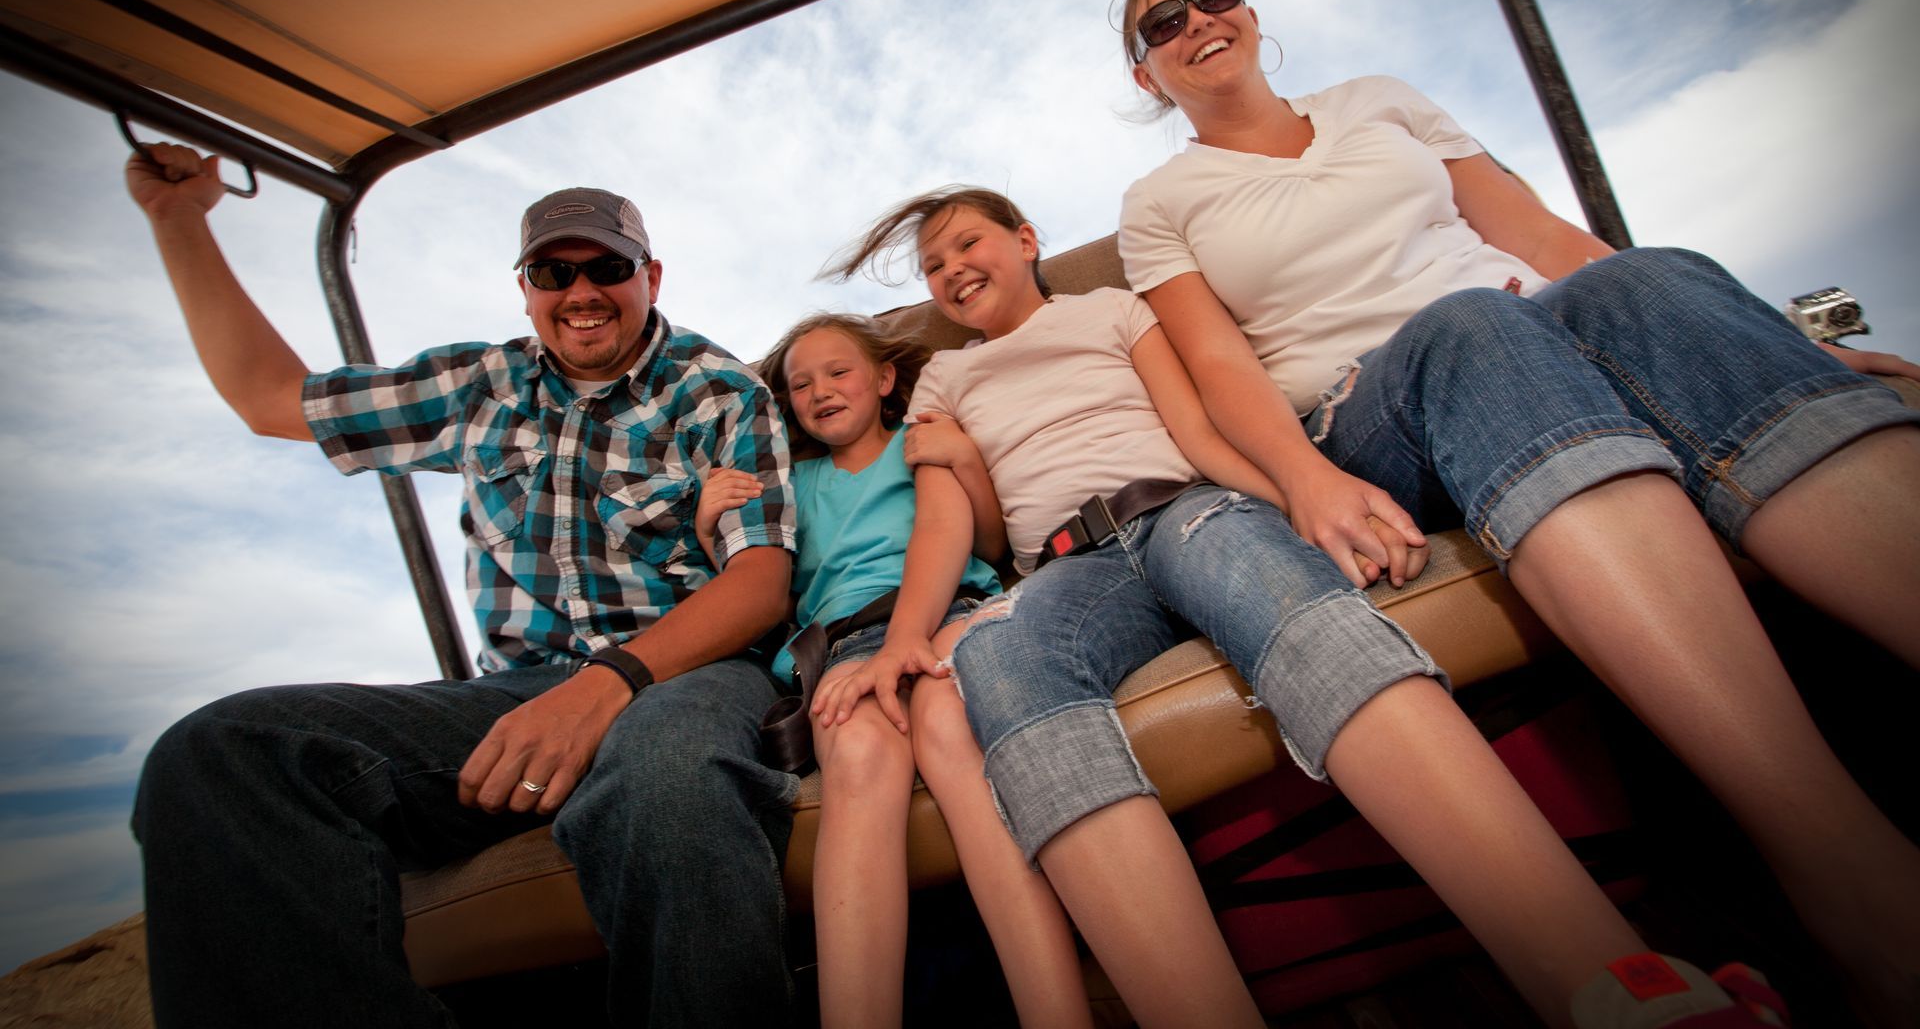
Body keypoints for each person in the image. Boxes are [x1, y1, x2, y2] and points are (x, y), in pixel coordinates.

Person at [1113, 0, 1920, 1026]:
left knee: (1650, 274)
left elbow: (1538, 235)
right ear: (1145, 75)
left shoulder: (1380, 101)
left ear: (1249, 11)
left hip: (1535, 324)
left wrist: (1767, 335)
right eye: (1163, 22)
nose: (1197, 21)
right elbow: (1219, 367)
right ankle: (1855, 879)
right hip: (1383, 404)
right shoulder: (1160, 200)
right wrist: (1302, 478)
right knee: (1473, 324)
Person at [825, 186, 1785, 1029]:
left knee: (1250, 562)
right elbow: (962, 523)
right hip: (1065, 567)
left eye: (967, 244)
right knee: (999, 660)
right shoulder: (946, 378)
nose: (952, 269)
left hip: (1182, 503)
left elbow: (1195, 426)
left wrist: (1303, 496)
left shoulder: (1114, 309)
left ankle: (1610, 978)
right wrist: (905, 637)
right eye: (933, 266)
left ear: (1026, 238)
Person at [125, 145, 801, 1028]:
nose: (582, 290)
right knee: (222, 753)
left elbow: (760, 583)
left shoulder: (716, 393)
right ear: (526, 289)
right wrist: (178, 221)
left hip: (686, 675)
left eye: (608, 267)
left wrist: (608, 685)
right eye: (555, 271)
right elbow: (267, 397)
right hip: (518, 693)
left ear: (651, 275)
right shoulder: (481, 386)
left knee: (669, 780)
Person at [695, 314, 1093, 1028]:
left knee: (955, 724)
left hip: (954, 611)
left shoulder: (921, 446)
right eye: (800, 385)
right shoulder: (791, 483)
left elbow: (990, 543)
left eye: (838, 372)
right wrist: (709, 533)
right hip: (844, 643)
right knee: (859, 749)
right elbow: (770, 599)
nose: (819, 391)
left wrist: (965, 462)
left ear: (883, 379)